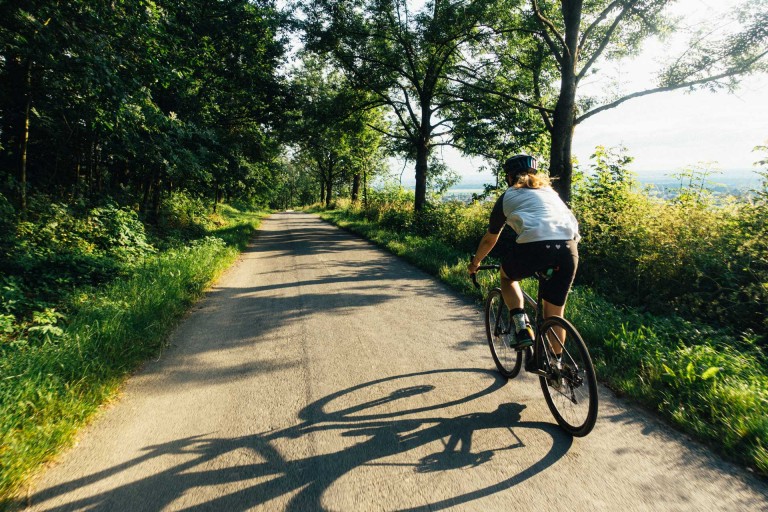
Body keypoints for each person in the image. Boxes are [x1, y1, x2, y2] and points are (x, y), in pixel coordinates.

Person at [468, 154, 580, 369]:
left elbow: (491, 238)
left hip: (535, 247)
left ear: (508, 177)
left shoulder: (508, 196)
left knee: (507, 276)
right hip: (568, 248)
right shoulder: (551, 192)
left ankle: (522, 327)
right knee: (555, 313)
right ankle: (555, 365)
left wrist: (475, 263)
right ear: (535, 174)